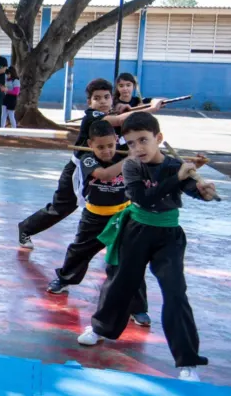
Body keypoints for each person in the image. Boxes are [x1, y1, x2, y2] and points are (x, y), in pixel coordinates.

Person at [78, 112, 216, 382]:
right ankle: (100, 328)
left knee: (176, 293)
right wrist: (177, 178)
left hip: (169, 235)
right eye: (130, 143)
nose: (137, 148)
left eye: (143, 140)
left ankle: (187, 361)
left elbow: (190, 188)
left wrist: (204, 192)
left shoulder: (174, 165)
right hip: (136, 231)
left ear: (159, 139)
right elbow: (144, 197)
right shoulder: (132, 167)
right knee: (120, 283)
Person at [17, 78, 163, 249]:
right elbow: (119, 120)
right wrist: (151, 108)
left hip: (106, 167)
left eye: (106, 97)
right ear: (89, 102)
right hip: (81, 170)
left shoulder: (110, 115)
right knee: (62, 207)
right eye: (97, 98)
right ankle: (26, 228)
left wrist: (126, 110)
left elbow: (122, 120)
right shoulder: (91, 117)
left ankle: (116, 243)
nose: (102, 101)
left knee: (121, 204)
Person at [45, 120, 151, 325]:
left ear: (116, 142)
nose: (106, 151)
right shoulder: (87, 159)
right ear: (91, 145)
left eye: (110, 146)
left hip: (123, 216)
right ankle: (65, 279)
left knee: (131, 261)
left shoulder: (125, 154)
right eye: (100, 147)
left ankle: (138, 308)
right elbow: (104, 175)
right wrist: (130, 159)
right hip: (94, 216)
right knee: (79, 251)